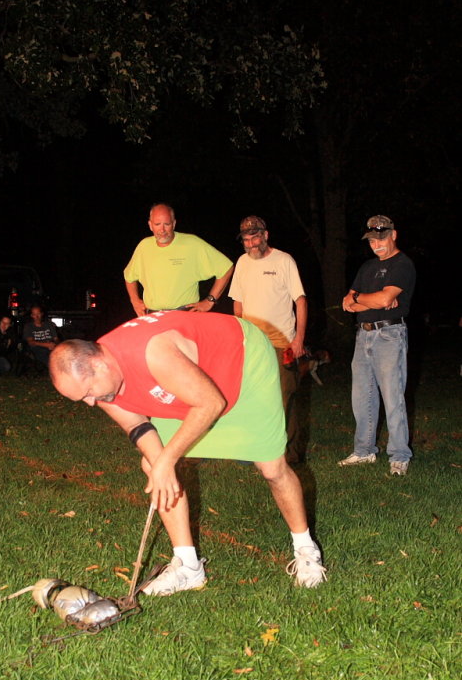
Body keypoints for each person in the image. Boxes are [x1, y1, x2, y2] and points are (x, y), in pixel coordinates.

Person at [49, 311, 327, 595]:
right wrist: (161, 465)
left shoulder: (153, 352)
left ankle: (306, 549)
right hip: (187, 385)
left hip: (243, 363)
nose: (92, 403)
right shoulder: (102, 385)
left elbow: (210, 403)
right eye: (81, 399)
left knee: (271, 467)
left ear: (99, 363)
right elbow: (136, 424)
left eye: (88, 392)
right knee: (153, 465)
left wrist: (167, 459)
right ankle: (188, 566)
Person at [339, 215, 416, 476]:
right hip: (363, 336)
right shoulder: (367, 267)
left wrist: (364, 299)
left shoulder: (403, 264)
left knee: (393, 397)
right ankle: (364, 451)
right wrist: (369, 300)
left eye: (381, 238)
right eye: (372, 239)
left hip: (389, 335)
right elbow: (347, 303)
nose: (377, 244)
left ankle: (399, 455)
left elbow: (384, 299)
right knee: (361, 398)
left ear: (394, 235)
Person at [228, 216, 307, 464]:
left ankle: (290, 453)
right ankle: (256, 449)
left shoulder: (284, 261)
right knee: (254, 397)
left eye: (255, 237)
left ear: (265, 235)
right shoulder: (242, 263)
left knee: (285, 397)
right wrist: (239, 335)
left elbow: (301, 301)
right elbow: (237, 302)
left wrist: (299, 340)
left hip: (282, 342)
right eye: (246, 239)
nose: (251, 243)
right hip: (253, 343)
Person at [124, 203, 234, 316]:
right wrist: (135, 301)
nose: (162, 230)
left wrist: (210, 300)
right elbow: (129, 277)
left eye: (167, 224)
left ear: (174, 224)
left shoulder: (192, 244)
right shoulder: (144, 246)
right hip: (152, 317)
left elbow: (226, 268)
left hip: (184, 316)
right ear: (150, 225)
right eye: (157, 224)